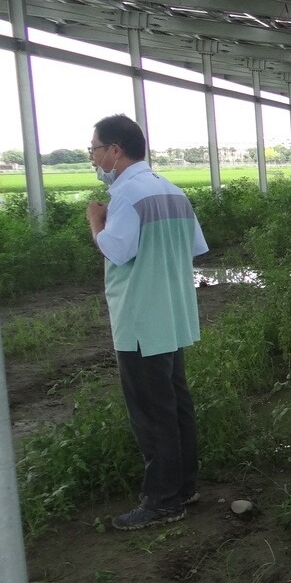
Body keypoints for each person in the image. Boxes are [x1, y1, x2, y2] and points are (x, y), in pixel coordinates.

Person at [86, 114, 208, 531]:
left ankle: (162, 500)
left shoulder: (127, 196)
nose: (93, 158)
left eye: (95, 150)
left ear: (114, 152)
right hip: (171, 314)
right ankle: (184, 485)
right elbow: (193, 246)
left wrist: (95, 222)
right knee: (175, 405)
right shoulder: (172, 191)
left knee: (151, 413)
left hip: (140, 320)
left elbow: (116, 251)